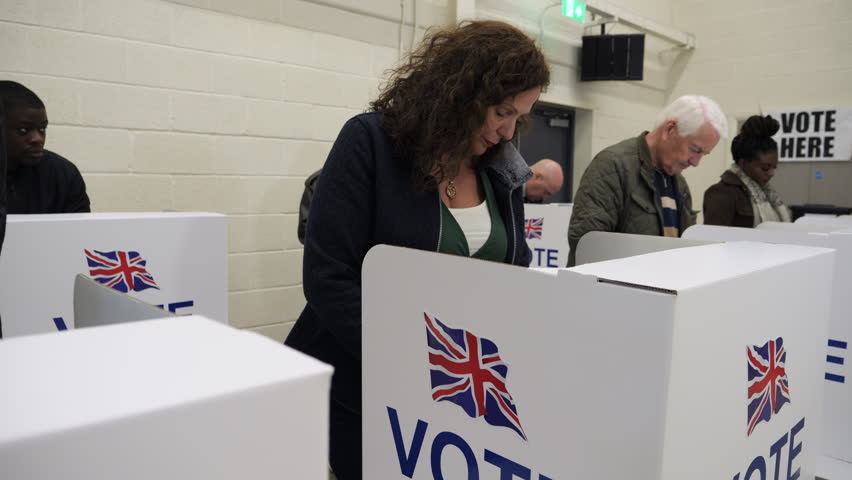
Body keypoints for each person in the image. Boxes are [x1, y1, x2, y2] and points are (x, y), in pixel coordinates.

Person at [284, 21, 550, 480]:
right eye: (502, 111)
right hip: (362, 386)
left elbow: (515, 271)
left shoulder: (503, 171)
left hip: (459, 396)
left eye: (518, 118)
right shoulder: (370, 142)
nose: (509, 132)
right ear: (463, 92)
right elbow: (328, 278)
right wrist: (411, 360)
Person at [566, 95, 727, 266]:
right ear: (669, 129)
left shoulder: (679, 186)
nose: (696, 162)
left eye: (704, 154)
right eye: (695, 149)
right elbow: (588, 246)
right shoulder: (613, 166)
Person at [0, 81, 90, 214]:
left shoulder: (63, 174)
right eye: (24, 130)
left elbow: (80, 231)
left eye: (42, 128)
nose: (38, 139)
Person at [703, 115, 790, 227]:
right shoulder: (722, 193)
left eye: (774, 167)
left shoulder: (767, 193)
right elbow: (713, 239)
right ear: (743, 163)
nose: (772, 173)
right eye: (765, 168)